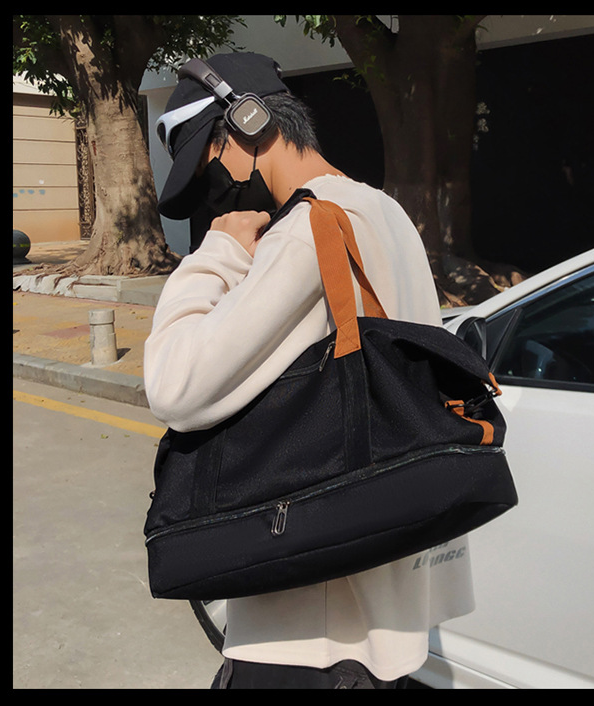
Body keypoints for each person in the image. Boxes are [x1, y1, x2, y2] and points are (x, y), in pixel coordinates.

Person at [144, 52, 475, 690]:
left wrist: (215, 255)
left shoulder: (303, 232)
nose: (214, 194)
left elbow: (173, 384)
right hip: (384, 606)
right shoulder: (383, 212)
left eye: (210, 167)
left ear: (247, 120)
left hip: (309, 629)